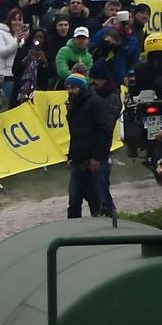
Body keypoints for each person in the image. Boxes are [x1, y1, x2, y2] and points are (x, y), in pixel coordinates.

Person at [63, 74, 116, 219]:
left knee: (100, 201)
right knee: (74, 201)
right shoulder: (73, 106)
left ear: (82, 87)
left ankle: (109, 227)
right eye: (68, 88)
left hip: (96, 162)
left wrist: (98, 158)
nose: (70, 91)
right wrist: (71, 156)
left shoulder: (96, 103)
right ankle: (73, 229)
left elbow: (106, 131)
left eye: (73, 87)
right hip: (78, 161)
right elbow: (75, 135)